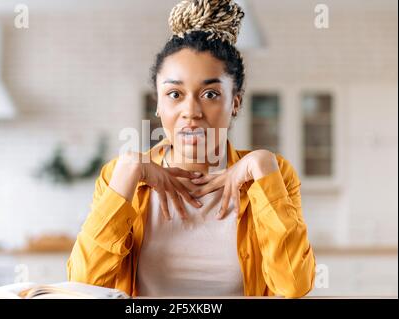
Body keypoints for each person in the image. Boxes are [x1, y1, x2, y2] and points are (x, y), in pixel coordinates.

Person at [67, 0, 316, 298]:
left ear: (235, 102)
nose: (191, 111)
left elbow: (293, 286)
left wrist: (262, 165)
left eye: (210, 94)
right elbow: (82, 285)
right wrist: (128, 174)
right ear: (158, 103)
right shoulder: (120, 176)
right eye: (174, 94)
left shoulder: (270, 174)